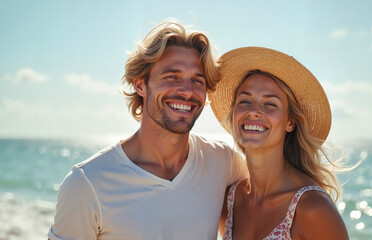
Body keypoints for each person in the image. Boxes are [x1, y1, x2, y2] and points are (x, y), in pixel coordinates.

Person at [48, 21, 247, 240]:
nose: (187, 91)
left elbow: (270, 194)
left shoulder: (224, 162)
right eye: (172, 77)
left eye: (197, 81)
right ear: (140, 85)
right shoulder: (86, 184)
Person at [209, 47, 349, 240]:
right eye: (244, 101)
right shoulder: (229, 200)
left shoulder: (313, 208)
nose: (254, 111)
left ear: (290, 123)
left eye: (270, 104)